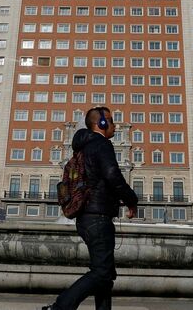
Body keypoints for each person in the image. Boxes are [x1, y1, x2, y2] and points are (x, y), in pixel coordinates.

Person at [42, 107, 138, 310]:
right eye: (111, 121)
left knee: (105, 275)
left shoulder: (83, 147)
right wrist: (131, 199)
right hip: (97, 216)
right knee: (102, 272)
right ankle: (60, 307)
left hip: (86, 217)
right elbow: (113, 175)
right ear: (100, 124)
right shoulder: (101, 144)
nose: (115, 125)